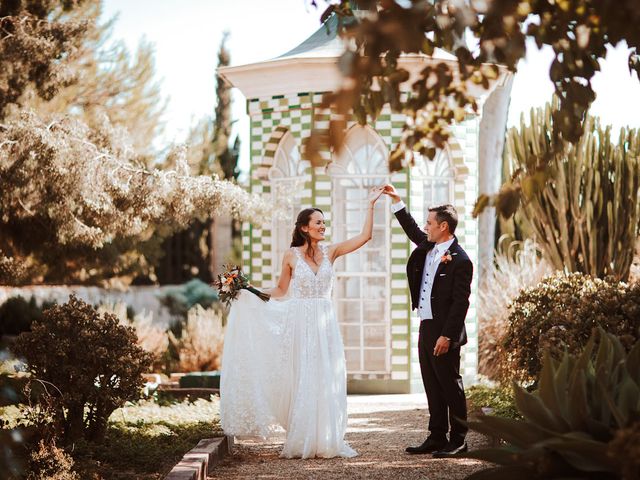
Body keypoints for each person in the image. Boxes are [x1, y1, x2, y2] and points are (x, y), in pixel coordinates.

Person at [220, 186, 384, 459]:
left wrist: (370, 205)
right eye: (318, 222)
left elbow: (365, 236)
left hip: (325, 324)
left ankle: (326, 439)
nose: (323, 226)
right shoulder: (291, 255)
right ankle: (303, 437)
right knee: (304, 378)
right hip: (299, 324)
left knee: (326, 376)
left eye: (324, 222)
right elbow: (281, 291)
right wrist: (248, 290)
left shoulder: (331, 252)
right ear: (305, 228)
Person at [382, 184, 472, 457]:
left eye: (430, 223)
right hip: (426, 325)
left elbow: (461, 303)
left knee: (450, 383)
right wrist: (397, 201)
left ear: (443, 226)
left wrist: (447, 336)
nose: (426, 226)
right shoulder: (429, 246)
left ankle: (459, 440)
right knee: (432, 383)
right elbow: (412, 230)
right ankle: (436, 436)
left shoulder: (460, 260)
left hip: (445, 330)